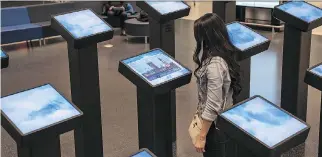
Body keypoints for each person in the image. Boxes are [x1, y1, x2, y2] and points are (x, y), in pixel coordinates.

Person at [193, 13, 241, 157]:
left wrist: (201, 136)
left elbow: (213, 104)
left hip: (215, 127)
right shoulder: (222, 54)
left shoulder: (215, 65)